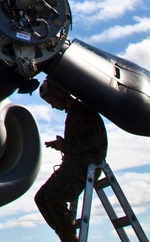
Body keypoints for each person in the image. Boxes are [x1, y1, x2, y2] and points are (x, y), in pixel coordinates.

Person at [34, 79, 108, 242]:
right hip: (75, 164)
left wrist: (64, 145)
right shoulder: (75, 113)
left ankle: (69, 237)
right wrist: (62, 145)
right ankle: (65, 234)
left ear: (59, 94)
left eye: (51, 101)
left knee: (53, 197)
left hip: (85, 165)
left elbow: (91, 142)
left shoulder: (83, 112)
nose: (52, 106)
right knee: (41, 198)